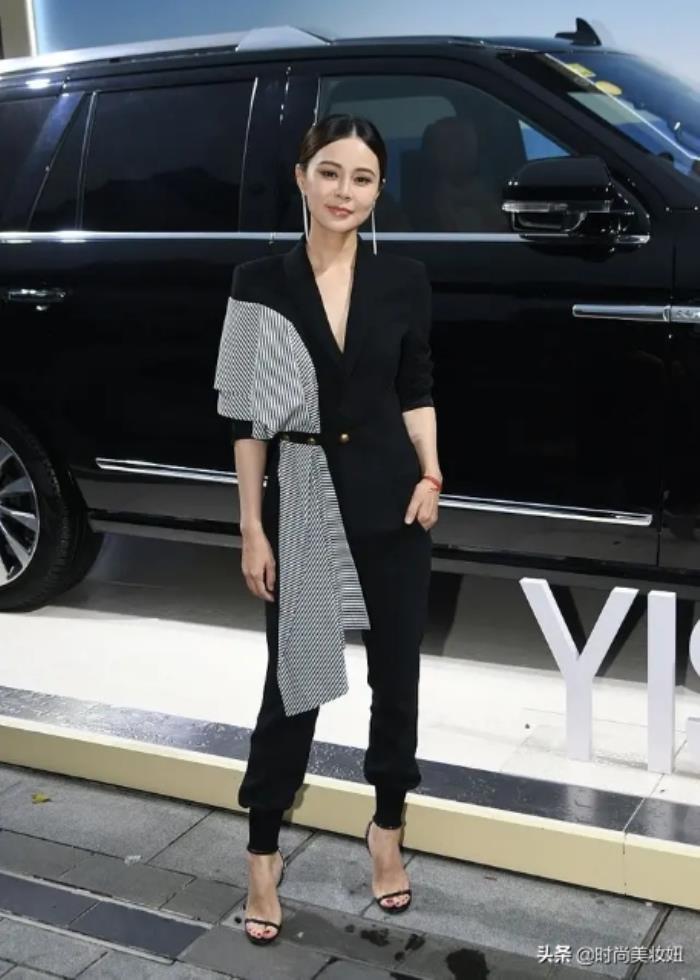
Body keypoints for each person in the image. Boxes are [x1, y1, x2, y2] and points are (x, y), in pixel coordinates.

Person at [213, 113, 442, 945]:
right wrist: (252, 526)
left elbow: (416, 387)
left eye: (363, 178)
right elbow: (246, 417)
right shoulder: (257, 281)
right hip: (303, 497)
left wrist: (432, 474)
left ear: (379, 190)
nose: (346, 191)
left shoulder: (404, 279)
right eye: (331, 172)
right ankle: (262, 853)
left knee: (397, 679)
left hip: (394, 499)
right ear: (302, 178)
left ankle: (387, 828)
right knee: (295, 685)